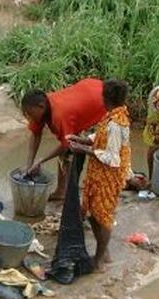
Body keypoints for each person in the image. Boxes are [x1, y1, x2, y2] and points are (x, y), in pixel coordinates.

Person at [67, 79, 132, 271]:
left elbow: (112, 157)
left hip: (108, 176)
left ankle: (99, 260)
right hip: (99, 173)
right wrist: (83, 140)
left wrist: (82, 149)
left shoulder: (115, 123)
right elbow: (101, 137)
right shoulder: (114, 117)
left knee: (102, 217)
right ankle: (104, 253)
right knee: (93, 215)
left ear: (106, 98)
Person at [21, 78, 108, 201]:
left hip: (100, 101)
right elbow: (35, 134)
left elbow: (66, 145)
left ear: (41, 107)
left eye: (30, 113)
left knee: (91, 152)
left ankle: (121, 181)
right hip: (87, 89)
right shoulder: (42, 107)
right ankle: (61, 191)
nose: (29, 117)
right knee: (68, 152)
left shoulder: (59, 115)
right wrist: (29, 163)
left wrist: (41, 160)